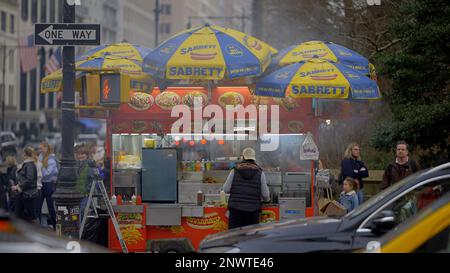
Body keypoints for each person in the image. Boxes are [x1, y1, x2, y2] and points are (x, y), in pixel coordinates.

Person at [223, 147, 270, 229]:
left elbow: (226, 189)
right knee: (250, 239)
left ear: (243, 158)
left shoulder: (234, 171)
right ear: (254, 159)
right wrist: (266, 200)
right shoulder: (260, 173)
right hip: (252, 213)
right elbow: (265, 195)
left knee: (234, 238)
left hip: (236, 211)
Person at [12, 147, 38, 222]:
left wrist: (18, 186)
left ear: (25, 154)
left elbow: (30, 179)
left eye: (22, 153)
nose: (21, 155)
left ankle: (30, 232)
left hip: (27, 193)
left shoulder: (29, 164)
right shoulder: (26, 164)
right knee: (21, 215)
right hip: (24, 192)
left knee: (28, 216)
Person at [38, 142, 58, 230]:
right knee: (38, 206)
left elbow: (48, 173)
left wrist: (41, 167)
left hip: (49, 184)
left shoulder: (51, 159)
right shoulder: (41, 156)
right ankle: (37, 226)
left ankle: (55, 226)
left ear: (46, 148)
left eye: (41, 148)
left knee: (50, 207)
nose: (40, 150)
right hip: (42, 184)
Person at [75, 145, 97, 221]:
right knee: (78, 213)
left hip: (85, 194)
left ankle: (81, 230)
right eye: (79, 154)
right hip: (77, 194)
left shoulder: (89, 165)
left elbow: (92, 180)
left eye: (83, 154)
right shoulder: (76, 165)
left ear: (87, 155)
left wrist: (88, 190)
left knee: (82, 212)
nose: (80, 156)